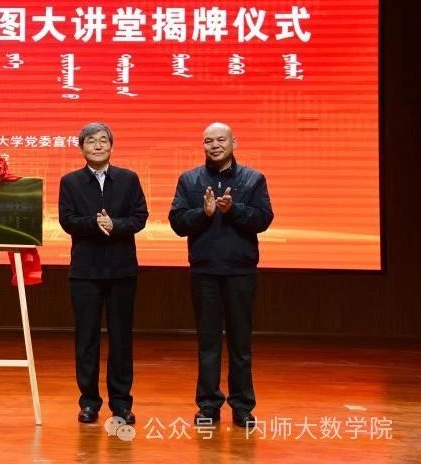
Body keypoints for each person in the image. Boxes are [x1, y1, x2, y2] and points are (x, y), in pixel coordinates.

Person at [169, 122, 273, 428]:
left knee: (241, 343)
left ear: (233, 143)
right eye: (208, 141)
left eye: (220, 140)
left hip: (241, 272)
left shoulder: (253, 179)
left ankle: (242, 406)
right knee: (208, 343)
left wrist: (233, 210)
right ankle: (208, 405)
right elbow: (177, 222)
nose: (214, 145)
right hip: (204, 272)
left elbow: (264, 218)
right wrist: (204, 213)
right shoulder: (189, 180)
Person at [58, 122, 148, 425]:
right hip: (85, 271)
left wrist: (116, 225)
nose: (97, 146)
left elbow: (140, 217)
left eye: (103, 141)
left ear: (111, 146)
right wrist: (95, 224)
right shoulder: (70, 182)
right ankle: (89, 402)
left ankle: (121, 403)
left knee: (121, 339)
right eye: (91, 141)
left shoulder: (128, 179)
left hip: (122, 271)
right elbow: (67, 220)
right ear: (81, 148)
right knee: (86, 339)